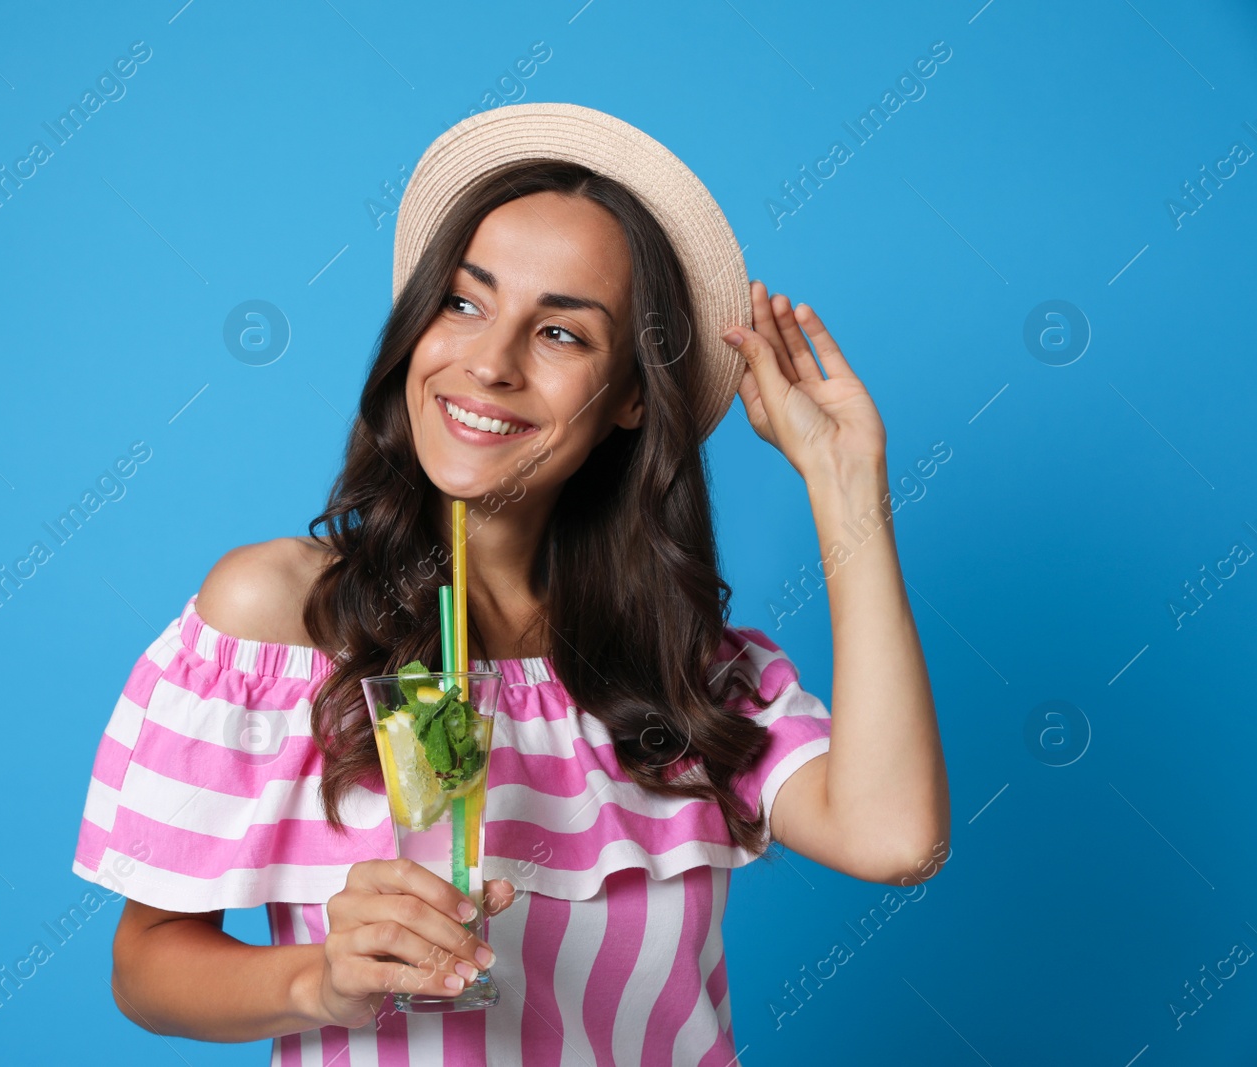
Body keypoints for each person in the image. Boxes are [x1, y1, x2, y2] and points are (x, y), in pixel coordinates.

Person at [70, 102, 948, 1064]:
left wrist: (844, 479)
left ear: (626, 399)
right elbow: (147, 964)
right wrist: (319, 978)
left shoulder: (682, 665)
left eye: (561, 334)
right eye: (464, 301)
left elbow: (895, 839)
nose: (488, 363)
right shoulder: (284, 619)